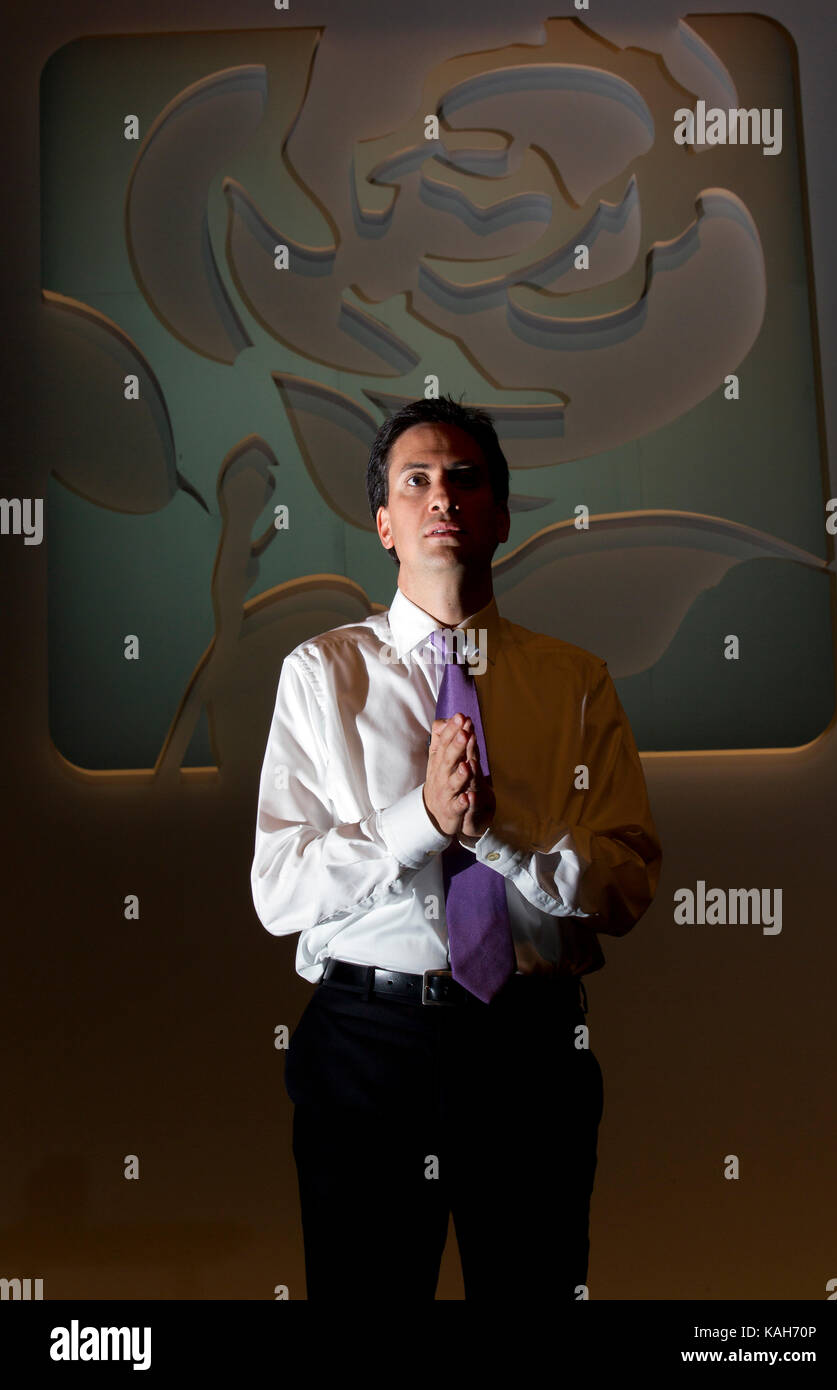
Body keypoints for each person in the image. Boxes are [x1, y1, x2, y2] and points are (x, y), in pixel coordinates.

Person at [250, 394, 662, 1301]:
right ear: (385, 523)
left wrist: (499, 840)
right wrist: (419, 824)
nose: (444, 496)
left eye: (466, 479)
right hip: (367, 1046)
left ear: (502, 517)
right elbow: (279, 891)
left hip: (529, 1051)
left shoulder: (576, 684)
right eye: (417, 480)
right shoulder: (323, 676)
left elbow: (628, 886)